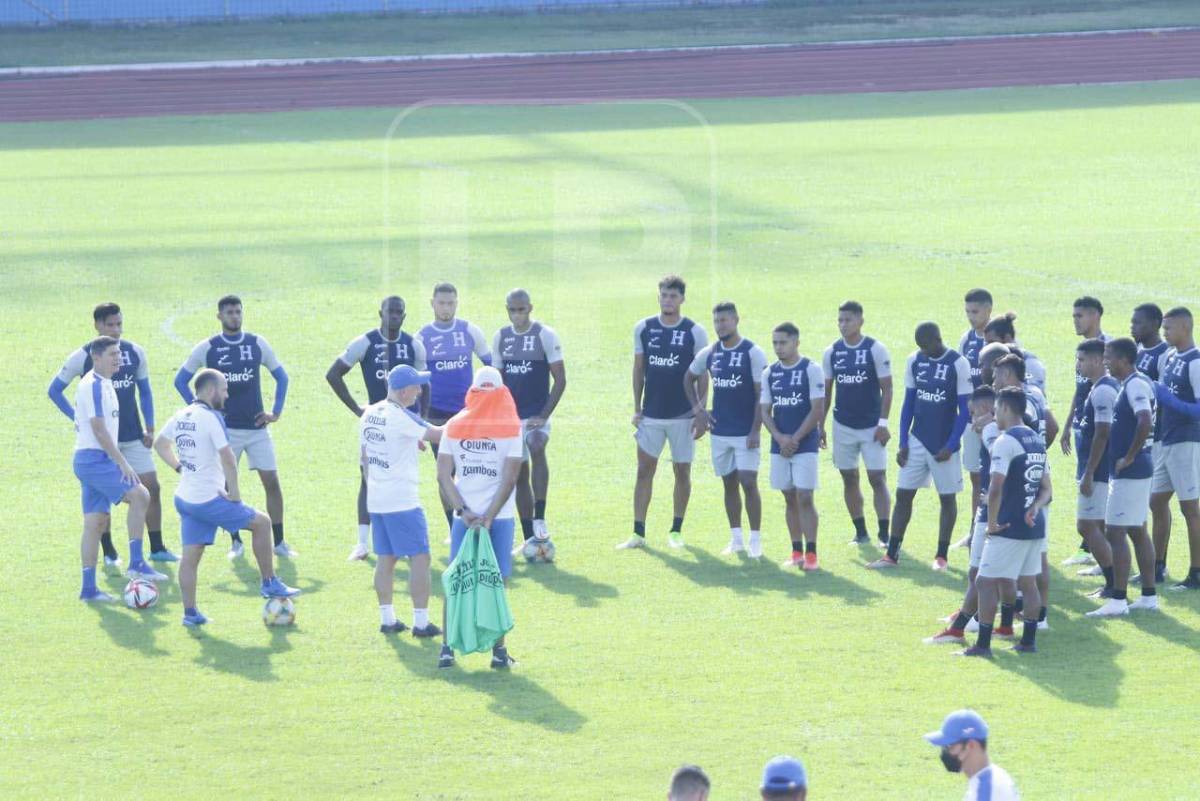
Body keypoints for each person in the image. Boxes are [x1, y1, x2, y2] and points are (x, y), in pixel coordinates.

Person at [153, 369, 300, 626]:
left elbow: (160, 444)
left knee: (191, 555)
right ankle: (269, 583)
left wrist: (180, 468)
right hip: (208, 500)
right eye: (224, 389)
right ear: (210, 391)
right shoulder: (211, 418)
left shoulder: (181, 415)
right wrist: (235, 494)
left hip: (185, 498)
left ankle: (190, 614)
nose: (227, 394)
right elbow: (228, 458)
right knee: (262, 523)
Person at [49, 302, 175, 564]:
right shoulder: (84, 357)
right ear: (97, 325)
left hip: (133, 436)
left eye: (119, 324)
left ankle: (158, 547)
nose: (116, 330)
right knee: (106, 498)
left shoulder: (134, 352)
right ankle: (109, 551)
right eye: (110, 325)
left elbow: (146, 391)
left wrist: (149, 426)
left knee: (151, 487)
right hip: (102, 444)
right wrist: (77, 417)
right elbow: (54, 390)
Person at [175, 295, 294, 560]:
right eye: (229, 313)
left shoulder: (256, 343)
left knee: (272, 482)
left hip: (257, 428)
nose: (235, 317)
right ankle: (236, 541)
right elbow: (180, 381)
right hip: (226, 431)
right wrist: (204, 410)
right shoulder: (208, 348)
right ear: (219, 316)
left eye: (238, 312)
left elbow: (282, 376)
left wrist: (275, 412)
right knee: (227, 486)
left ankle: (280, 541)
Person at [327, 295, 428, 561]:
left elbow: (425, 386)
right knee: (368, 479)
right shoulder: (365, 343)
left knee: (401, 481)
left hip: (403, 426)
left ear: (404, 316)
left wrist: (421, 422)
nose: (394, 316)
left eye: (399, 312)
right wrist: (358, 410)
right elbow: (333, 374)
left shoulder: (413, 345)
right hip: (376, 424)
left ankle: (400, 543)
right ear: (380, 313)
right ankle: (362, 543)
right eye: (390, 311)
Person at [436, 367, 524, 669]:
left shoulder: (453, 425)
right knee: (497, 581)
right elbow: (510, 478)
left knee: (457, 578)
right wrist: (488, 517)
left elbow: (443, 474)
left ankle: (446, 648)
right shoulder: (512, 426)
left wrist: (462, 511)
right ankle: (498, 651)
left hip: (466, 518)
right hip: (498, 519)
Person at [869, 322, 971, 570]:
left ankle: (941, 556)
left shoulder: (958, 364)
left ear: (938, 339)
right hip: (917, 439)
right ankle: (892, 554)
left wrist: (951, 443)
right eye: (920, 348)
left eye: (927, 347)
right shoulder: (915, 360)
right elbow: (909, 403)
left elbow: (964, 409)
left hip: (944, 445)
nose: (924, 351)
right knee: (903, 494)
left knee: (947, 498)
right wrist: (903, 441)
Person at [619, 275, 709, 550]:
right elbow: (639, 369)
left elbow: (703, 373)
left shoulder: (695, 331)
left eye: (673, 296)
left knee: (682, 472)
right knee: (644, 470)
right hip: (652, 415)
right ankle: (638, 532)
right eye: (664, 295)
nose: (668, 300)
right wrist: (637, 408)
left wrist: (700, 412)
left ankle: (676, 530)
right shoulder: (644, 328)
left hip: (683, 416)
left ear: (682, 299)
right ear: (658, 297)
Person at [959, 386, 1050, 657]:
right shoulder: (1035, 439)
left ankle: (983, 644)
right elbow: (1047, 489)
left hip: (1008, 525)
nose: (994, 414)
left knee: (985, 582)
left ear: (1007, 409)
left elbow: (995, 487)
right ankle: (1028, 641)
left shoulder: (1005, 441)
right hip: (1034, 523)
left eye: (997, 409)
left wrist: (992, 523)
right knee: (1028, 582)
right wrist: (1035, 506)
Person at [72, 337, 162, 602]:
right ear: (96, 357)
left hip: (91, 460)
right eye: (112, 354)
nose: (118, 358)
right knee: (141, 495)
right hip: (94, 459)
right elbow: (99, 428)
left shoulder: (105, 382)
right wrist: (122, 461)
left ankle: (88, 589)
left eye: (119, 353)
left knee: (95, 522)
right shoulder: (94, 385)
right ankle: (136, 562)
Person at [360, 366, 443, 635]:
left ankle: (388, 619)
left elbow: (365, 458)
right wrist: (470, 416)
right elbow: (438, 434)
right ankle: (421, 623)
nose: (420, 391)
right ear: (404, 391)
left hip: (376, 498)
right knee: (420, 557)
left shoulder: (370, 413)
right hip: (402, 501)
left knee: (386, 558)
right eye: (417, 387)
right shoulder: (401, 417)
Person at [685, 301, 768, 556]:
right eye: (716, 321)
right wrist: (699, 410)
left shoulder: (752, 352)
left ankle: (756, 540)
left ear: (736, 320)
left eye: (724, 320)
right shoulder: (711, 353)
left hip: (745, 432)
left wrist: (756, 430)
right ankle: (736, 539)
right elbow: (688, 378)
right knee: (729, 484)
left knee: (748, 482)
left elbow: (762, 394)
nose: (720, 326)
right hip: (720, 432)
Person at [924, 386, 1002, 645]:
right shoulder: (1012, 433)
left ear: (985, 410)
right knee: (982, 574)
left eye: (972, 415)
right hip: (993, 508)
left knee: (981, 574)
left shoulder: (993, 433)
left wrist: (990, 499)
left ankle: (969, 629)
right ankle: (970, 620)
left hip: (990, 511)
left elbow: (1002, 472)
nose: (971, 421)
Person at [492, 289, 567, 553]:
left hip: (537, 415)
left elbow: (560, 380)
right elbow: (499, 383)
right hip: (511, 418)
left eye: (521, 309)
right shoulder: (501, 337)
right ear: (507, 310)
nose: (517, 314)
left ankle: (540, 515)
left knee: (537, 446)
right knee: (519, 474)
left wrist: (543, 415)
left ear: (530, 308)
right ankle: (529, 538)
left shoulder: (545, 335)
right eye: (512, 310)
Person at [1088, 338, 1158, 615]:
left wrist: (1129, 456)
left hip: (1132, 470)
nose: (1106, 361)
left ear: (1124, 359)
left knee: (1114, 532)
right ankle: (1149, 596)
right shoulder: (1129, 384)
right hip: (1136, 470)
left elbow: (1145, 420)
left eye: (1109, 356)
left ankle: (1118, 599)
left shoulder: (1136, 385)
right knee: (1137, 531)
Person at [417, 282, 493, 529]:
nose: (446, 308)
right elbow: (417, 381)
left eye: (450, 303)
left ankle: (477, 520)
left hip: (468, 413)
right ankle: (454, 527)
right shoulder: (421, 338)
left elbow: (491, 366)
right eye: (441, 303)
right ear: (432, 303)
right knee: (446, 474)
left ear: (457, 303)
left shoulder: (470, 331)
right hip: (436, 415)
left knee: (471, 469)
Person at [820, 301, 892, 548]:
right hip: (843, 425)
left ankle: (884, 534)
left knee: (877, 478)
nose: (842, 325)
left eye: (847, 320)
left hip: (872, 426)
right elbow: (827, 392)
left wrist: (883, 423)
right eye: (840, 320)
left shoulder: (875, 349)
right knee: (849, 477)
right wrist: (821, 425)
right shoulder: (832, 352)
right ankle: (860, 532)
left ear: (860, 321)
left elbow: (888, 388)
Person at [760, 323, 825, 570]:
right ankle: (796, 550)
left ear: (796, 342)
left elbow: (817, 408)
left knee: (805, 496)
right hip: (780, 445)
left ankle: (812, 553)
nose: (778, 347)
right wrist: (779, 437)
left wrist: (795, 438)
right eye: (775, 342)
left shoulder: (811, 369)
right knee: (789, 496)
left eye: (783, 342)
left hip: (805, 444)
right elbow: (765, 410)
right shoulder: (770, 373)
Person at [1149, 307, 1200, 591]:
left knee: (1190, 509)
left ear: (1184, 328)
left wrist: (1169, 401)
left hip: (1187, 442)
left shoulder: (1195, 361)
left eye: (1168, 328)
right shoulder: (1169, 357)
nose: (1164, 333)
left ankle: (1196, 572)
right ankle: (1157, 566)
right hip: (1166, 441)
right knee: (1156, 502)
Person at [1060, 297, 1110, 567]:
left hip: (1097, 427)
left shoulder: (1106, 350)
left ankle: (1096, 551)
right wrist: (1068, 424)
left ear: (1095, 316)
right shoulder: (1081, 353)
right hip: (1081, 426)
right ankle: (1091, 549)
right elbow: (1079, 391)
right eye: (1073, 316)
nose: (1075, 321)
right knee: (1086, 485)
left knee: (1095, 487)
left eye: (1079, 316)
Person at [1073, 339, 1118, 599]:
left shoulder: (1102, 391)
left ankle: (1113, 583)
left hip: (1098, 470)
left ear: (1098, 360)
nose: (1078, 365)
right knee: (1097, 526)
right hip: (1096, 468)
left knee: (1087, 526)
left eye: (1081, 360)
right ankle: (1112, 583)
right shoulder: (1098, 388)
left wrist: (1089, 472)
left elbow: (1103, 433)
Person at [1132, 303, 1172, 584]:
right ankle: (1151, 563)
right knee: (1148, 502)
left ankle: (1159, 563)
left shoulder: (1163, 355)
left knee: (1156, 501)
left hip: (1158, 437)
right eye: (1132, 322)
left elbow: (1163, 396)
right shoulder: (1136, 352)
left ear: (1155, 324)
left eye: (1139, 323)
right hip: (1141, 438)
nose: (1133, 327)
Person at [958, 289, 992, 550]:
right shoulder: (966, 340)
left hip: (995, 420)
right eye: (968, 312)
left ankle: (993, 527)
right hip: (972, 420)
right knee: (976, 477)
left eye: (975, 312)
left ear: (989, 309)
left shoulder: (996, 339)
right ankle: (975, 528)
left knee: (996, 475)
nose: (971, 317)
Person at [923, 710, 1020, 800]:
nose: (945, 753)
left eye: (950, 746)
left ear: (970, 745)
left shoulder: (986, 791)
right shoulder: (991, 775)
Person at [981, 312, 1047, 393]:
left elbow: (1032, 396)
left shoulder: (1031, 364)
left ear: (1007, 338)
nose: (987, 347)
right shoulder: (992, 363)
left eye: (991, 342)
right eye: (986, 343)